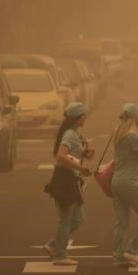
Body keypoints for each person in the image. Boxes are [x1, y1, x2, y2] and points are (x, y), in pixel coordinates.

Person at [43, 102, 93, 265]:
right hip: (64, 179)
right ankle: (60, 255)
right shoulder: (69, 135)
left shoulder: (73, 133)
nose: (86, 117)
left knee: (78, 217)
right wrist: (80, 167)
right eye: (84, 114)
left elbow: (71, 154)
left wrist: (85, 153)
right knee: (64, 220)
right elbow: (61, 156)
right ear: (78, 117)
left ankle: (53, 245)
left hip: (71, 178)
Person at [110, 103, 138, 267]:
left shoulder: (117, 132)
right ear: (136, 118)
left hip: (116, 180)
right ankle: (132, 250)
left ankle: (118, 257)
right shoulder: (132, 135)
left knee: (122, 221)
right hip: (128, 181)